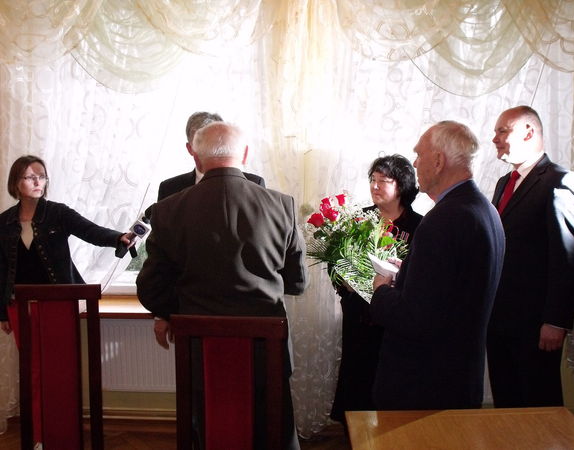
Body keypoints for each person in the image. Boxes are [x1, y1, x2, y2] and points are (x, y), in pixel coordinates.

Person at [136, 122, 307, 449]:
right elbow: (297, 282)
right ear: (245, 154)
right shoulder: (281, 205)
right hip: (265, 347)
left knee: (210, 427)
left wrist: (184, 310)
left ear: (196, 158)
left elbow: (150, 289)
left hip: (201, 347)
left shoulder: (168, 210)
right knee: (272, 429)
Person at [0, 155, 135, 447]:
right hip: (19, 307)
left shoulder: (58, 213)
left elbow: (91, 231)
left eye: (41, 176)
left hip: (58, 305)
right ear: (16, 183)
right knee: (34, 371)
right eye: (29, 176)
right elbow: (0, 270)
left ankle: (63, 434)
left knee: (60, 369)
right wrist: (2, 313)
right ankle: (39, 436)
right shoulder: (4, 222)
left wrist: (120, 238)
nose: (37, 181)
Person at [370, 121, 505, 410]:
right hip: (458, 376)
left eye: (419, 155)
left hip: (425, 384)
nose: (415, 163)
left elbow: (414, 317)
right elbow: (452, 288)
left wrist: (381, 290)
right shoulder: (485, 209)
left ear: (439, 161)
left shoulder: (444, 219)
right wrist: (408, 271)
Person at [487, 106, 574, 407]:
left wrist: (555, 321)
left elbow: (568, 258)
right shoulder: (504, 183)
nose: (495, 138)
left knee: (539, 405)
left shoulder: (561, 181)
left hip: (535, 325)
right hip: (500, 320)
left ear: (528, 132)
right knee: (507, 403)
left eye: (502, 131)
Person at [330, 154, 422, 425]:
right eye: (372, 179)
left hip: (394, 322)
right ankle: (354, 434)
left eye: (384, 180)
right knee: (355, 381)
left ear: (402, 185)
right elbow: (334, 262)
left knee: (390, 385)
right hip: (359, 317)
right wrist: (344, 281)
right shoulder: (358, 219)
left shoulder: (419, 226)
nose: (375, 186)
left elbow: (422, 276)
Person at [154, 111, 264, 205]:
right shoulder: (169, 189)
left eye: (215, 142)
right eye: (199, 142)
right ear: (190, 148)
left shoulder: (255, 184)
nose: (211, 150)